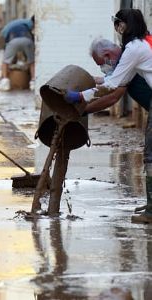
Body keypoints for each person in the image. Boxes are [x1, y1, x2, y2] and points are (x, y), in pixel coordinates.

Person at [65, 9, 152, 224]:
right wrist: (89, 82)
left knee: (151, 156)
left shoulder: (132, 50)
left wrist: (79, 98)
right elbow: (113, 79)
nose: (117, 30)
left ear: (124, 26)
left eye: (118, 25)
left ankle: (151, 211)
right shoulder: (142, 43)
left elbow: (114, 87)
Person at [0, 16, 35, 91]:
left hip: (13, 40)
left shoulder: (8, 27)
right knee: (32, 62)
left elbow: (5, 39)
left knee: (5, 62)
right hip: (27, 40)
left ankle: (5, 83)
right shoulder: (28, 23)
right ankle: (33, 82)